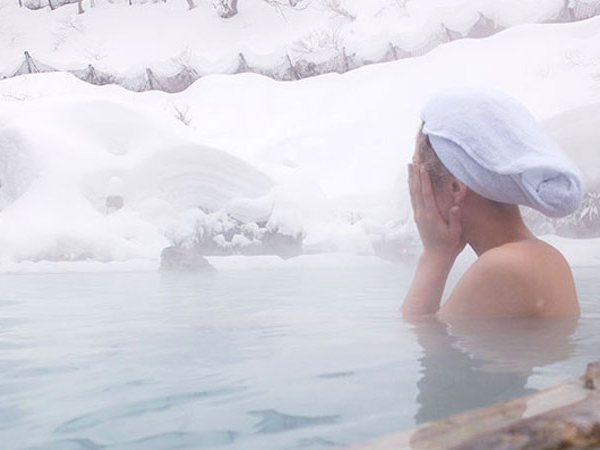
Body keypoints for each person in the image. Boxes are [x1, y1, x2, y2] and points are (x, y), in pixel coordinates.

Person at [401, 88, 584, 319]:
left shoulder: (505, 267)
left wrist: (434, 256)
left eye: (418, 170)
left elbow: (425, 348)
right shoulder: (535, 256)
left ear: (455, 187)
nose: (413, 189)